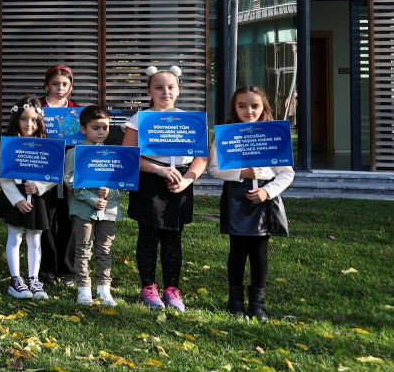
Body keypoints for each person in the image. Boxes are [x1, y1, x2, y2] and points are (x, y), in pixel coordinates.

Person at [122, 65, 208, 311]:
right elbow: (129, 155)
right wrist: (159, 170)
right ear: (149, 90)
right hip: (150, 179)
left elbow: (200, 157)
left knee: (174, 237)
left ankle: (172, 289)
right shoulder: (139, 119)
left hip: (180, 182)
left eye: (170, 87)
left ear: (178, 90)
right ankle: (148, 287)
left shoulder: (189, 120)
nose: (165, 92)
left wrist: (187, 179)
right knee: (148, 236)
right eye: (158, 87)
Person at [210, 86, 294, 320]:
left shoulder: (274, 135)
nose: (248, 110)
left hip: (264, 201)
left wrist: (267, 192)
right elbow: (214, 170)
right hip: (237, 199)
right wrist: (241, 174)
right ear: (234, 108)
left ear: (264, 107)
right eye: (242, 105)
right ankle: (235, 301)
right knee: (236, 251)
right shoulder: (226, 135)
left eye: (254, 105)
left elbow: (287, 173)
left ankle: (258, 304)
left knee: (259, 253)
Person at [0, 97, 54, 300]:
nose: (29, 124)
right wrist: (17, 199)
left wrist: (39, 187)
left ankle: (34, 279)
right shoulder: (9, 144)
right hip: (15, 197)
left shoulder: (46, 144)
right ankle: (16, 279)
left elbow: (53, 174)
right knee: (15, 235)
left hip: (37, 196)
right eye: (24, 119)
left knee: (35, 238)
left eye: (34, 120)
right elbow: (3, 174)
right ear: (16, 119)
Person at [64, 104, 119, 306]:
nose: (101, 132)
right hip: (83, 209)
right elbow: (70, 180)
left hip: (108, 210)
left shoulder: (113, 154)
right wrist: (92, 199)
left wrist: (111, 191)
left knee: (105, 249)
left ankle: (104, 289)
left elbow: (121, 181)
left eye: (105, 127)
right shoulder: (74, 154)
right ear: (83, 129)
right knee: (83, 248)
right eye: (95, 127)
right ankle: (83, 288)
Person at [39, 64, 78, 287]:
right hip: (43, 168)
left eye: (64, 84)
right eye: (55, 84)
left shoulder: (77, 110)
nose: (60, 88)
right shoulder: (37, 108)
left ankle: (67, 270)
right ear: (47, 85)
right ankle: (46, 269)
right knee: (46, 218)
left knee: (68, 219)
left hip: (69, 168)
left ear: (70, 87)